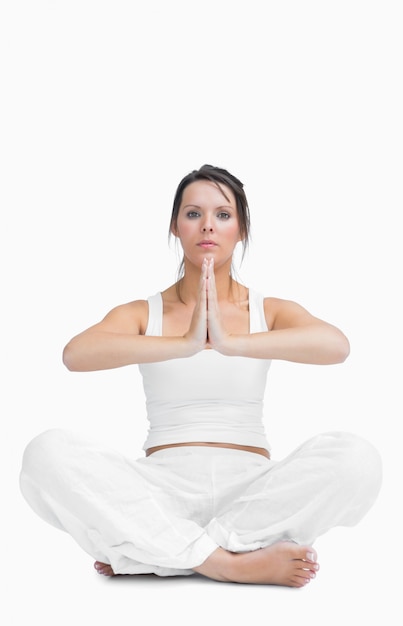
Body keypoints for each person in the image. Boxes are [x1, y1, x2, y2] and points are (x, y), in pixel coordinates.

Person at [20, 164, 382, 588]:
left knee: (358, 458)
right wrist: (187, 343)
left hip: (253, 490)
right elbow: (75, 355)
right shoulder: (142, 312)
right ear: (175, 226)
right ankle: (232, 562)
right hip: (158, 490)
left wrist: (230, 342)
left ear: (241, 228)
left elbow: (337, 346)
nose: (207, 225)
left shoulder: (269, 310)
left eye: (223, 215)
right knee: (46, 453)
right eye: (193, 214)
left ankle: (155, 551)